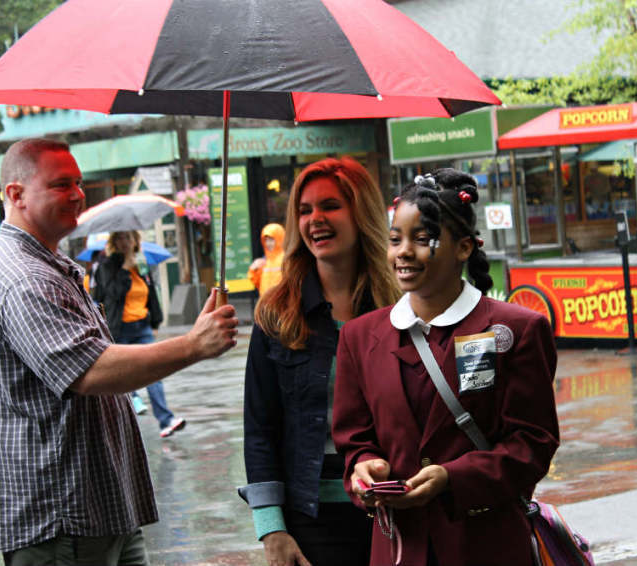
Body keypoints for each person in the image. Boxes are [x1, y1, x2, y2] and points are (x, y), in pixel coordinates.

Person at [0, 138, 238, 564]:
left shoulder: (50, 266)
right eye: (60, 184)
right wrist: (193, 345)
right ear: (15, 195)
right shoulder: (23, 279)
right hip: (62, 521)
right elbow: (90, 370)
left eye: (78, 182)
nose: (78, 194)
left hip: (99, 509)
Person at [332, 169, 560, 566]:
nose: (403, 252)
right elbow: (354, 439)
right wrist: (363, 469)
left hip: (489, 547)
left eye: (422, 239)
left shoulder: (516, 330)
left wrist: (453, 479)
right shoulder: (358, 337)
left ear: (464, 248)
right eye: (395, 239)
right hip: (399, 549)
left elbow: (532, 444)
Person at [239, 157, 400, 566]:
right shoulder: (277, 314)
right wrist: (271, 528)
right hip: (311, 520)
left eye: (330, 206)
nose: (315, 220)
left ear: (360, 211)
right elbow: (259, 428)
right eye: (304, 210)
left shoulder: (400, 306)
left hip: (395, 508)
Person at [93, 230, 186, 437]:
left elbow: (151, 294)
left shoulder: (142, 264)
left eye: (129, 237)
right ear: (114, 242)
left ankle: (166, 420)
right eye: (120, 238)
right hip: (120, 329)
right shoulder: (108, 265)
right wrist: (124, 270)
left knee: (155, 371)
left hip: (142, 326)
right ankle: (123, 425)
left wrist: (155, 320)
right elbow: (113, 294)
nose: (125, 242)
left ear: (135, 240)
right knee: (123, 377)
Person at [247, 223, 285, 297]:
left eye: (271, 240)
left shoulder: (286, 259)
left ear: (280, 239)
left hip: (282, 304)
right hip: (266, 303)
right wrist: (253, 270)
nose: (268, 243)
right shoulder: (265, 260)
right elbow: (259, 284)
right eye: (266, 240)